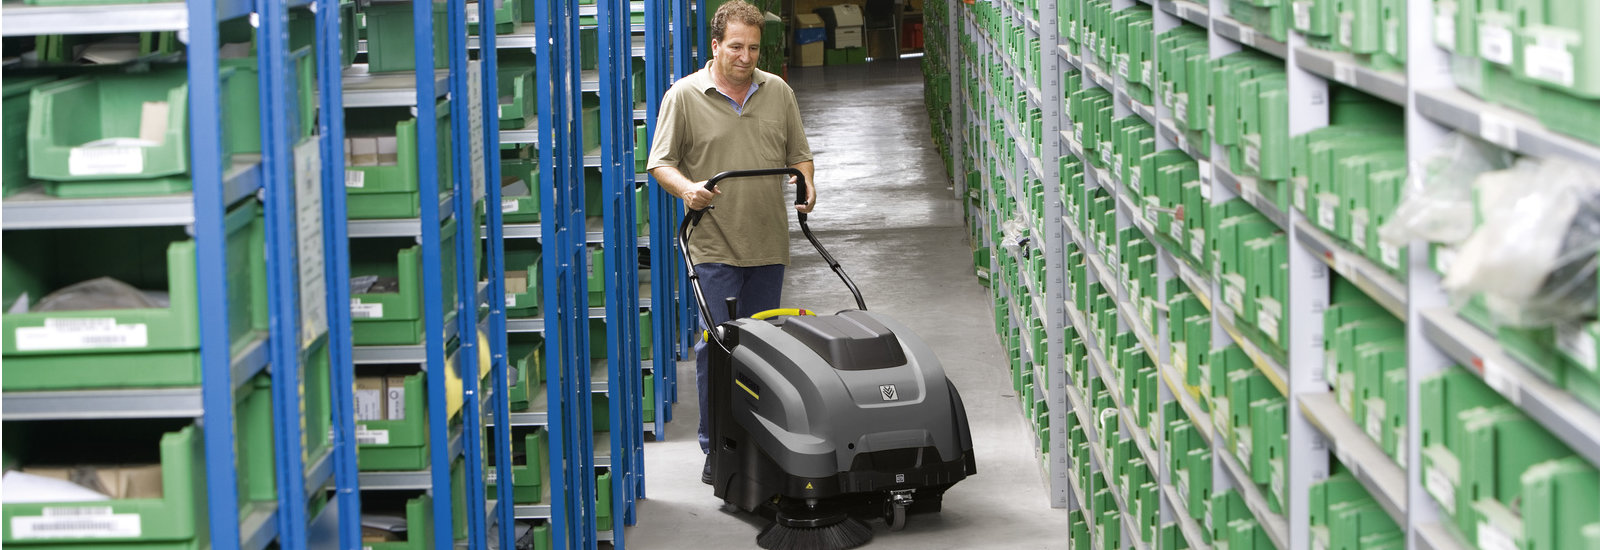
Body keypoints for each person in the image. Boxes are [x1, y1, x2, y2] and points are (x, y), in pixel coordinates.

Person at [644, 0, 815, 485]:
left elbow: (799, 155)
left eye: (754, 48)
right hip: (713, 244)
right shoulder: (683, 96)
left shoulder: (778, 91)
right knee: (718, 347)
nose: (745, 56)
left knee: (766, 348)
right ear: (716, 45)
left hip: (768, 244)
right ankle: (716, 445)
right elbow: (660, 162)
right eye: (736, 46)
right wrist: (687, 190)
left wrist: (807, 184)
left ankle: (763, 437)